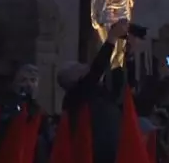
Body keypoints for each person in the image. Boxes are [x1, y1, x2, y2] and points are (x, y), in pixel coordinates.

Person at [57, 20, 134, 163]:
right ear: (72, 77)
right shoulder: (76, 95)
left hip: (113, 151)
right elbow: (97, 69)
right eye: (79, 68)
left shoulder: (100, 94)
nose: (85, 67)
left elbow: (119, 87)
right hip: (92, 154)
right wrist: (111, 39)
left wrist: (123, 54)